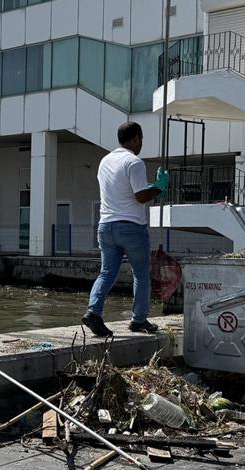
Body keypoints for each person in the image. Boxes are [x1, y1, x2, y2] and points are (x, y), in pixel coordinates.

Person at [82, 121, 170, 338]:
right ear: (136, 139)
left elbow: (122, 191)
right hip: (130, 227)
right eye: (141, 140)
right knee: (141, 274)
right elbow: (140, 197)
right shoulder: (134, 162)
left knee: (107, 272)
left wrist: (151, 187)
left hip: (105, 226)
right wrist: (159, 187)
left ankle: (93, 311)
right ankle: (138, 320)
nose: (141, 144)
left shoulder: (105, 161)